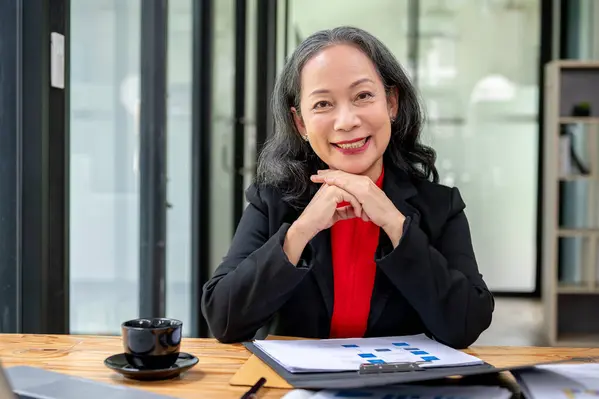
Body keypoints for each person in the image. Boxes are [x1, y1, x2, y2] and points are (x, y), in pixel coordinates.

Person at [201, 26, 494, 349]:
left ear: (392, 103)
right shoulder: (271, 201)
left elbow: (465, 325)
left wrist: (396, 226)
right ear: (300, 124)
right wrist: (300, 231)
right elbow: (224, 320)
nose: (346, 121)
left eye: (363, 96)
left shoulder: (441, 206)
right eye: (323, 104)